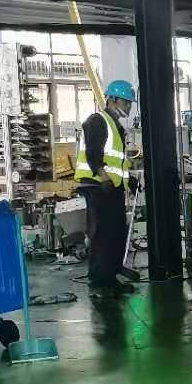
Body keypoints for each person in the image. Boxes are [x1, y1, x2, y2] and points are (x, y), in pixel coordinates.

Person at [74, 79, 135, 298]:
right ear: (112, 99)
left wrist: (128, 180)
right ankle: (101, 282)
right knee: (103, 234)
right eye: (125, 102)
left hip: (111, 187)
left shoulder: (115, 125)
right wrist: (104, 178)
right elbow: (94, 153)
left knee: (116, 232)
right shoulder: (98, 121)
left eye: (130, 103)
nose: (128, 107)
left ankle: (110, 276)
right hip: (99, 186)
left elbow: (116, 161)